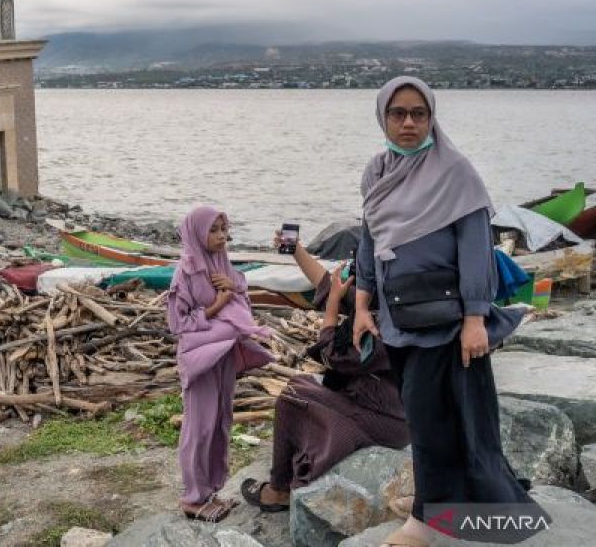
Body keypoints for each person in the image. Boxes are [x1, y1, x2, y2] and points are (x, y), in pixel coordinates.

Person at [352, 76, 545, 547]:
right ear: (383, 117)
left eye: (420, 113)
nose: (409, 122)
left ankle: (424, 523)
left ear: (432, 117)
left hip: (446, 321)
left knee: (433, 417)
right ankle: (459, 499)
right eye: (398, 113)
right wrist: (361, 306)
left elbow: (476, 248)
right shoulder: (377, 172)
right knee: (436, 416)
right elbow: (370, 243)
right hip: (398, 319)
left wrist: (476, 319)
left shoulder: (455, 171)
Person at [240, 235, 409, 512]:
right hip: (391, 408)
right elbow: (324, 281)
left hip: (386, 419)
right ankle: (295, 469)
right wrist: (295, 250)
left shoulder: (380, 324)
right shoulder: (391, 301)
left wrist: (333, 303)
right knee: (303, 384)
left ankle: (278, 490)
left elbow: (333, 356)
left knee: (292, 396)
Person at [167, 205, 274, 522]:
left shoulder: (223, 264)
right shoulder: (185, 271)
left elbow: (243, 305)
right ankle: (192, 498)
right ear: (197, 232)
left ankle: (210, 491)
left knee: (220, 422)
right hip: (200, 359)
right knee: (199, 426)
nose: (221, 236)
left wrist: (233, 291)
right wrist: (218, 304)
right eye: (214, 230)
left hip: (224, 353)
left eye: (224, 229)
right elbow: (178, 324)